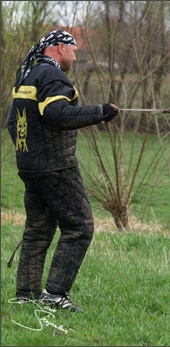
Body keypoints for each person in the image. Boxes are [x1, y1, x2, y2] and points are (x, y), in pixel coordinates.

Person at [6, 29, 119, 312]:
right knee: (79, 226)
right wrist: (100, 112)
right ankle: (55, 295)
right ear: (59, 48)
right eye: (74, 49)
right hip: (57, 166)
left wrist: (29, 152)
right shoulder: (53, 76)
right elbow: (56, 115)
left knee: (38, 229)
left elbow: (12, 123)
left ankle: (26, 294)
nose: (75, 54)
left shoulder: (28, 75)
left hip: (29, 166)